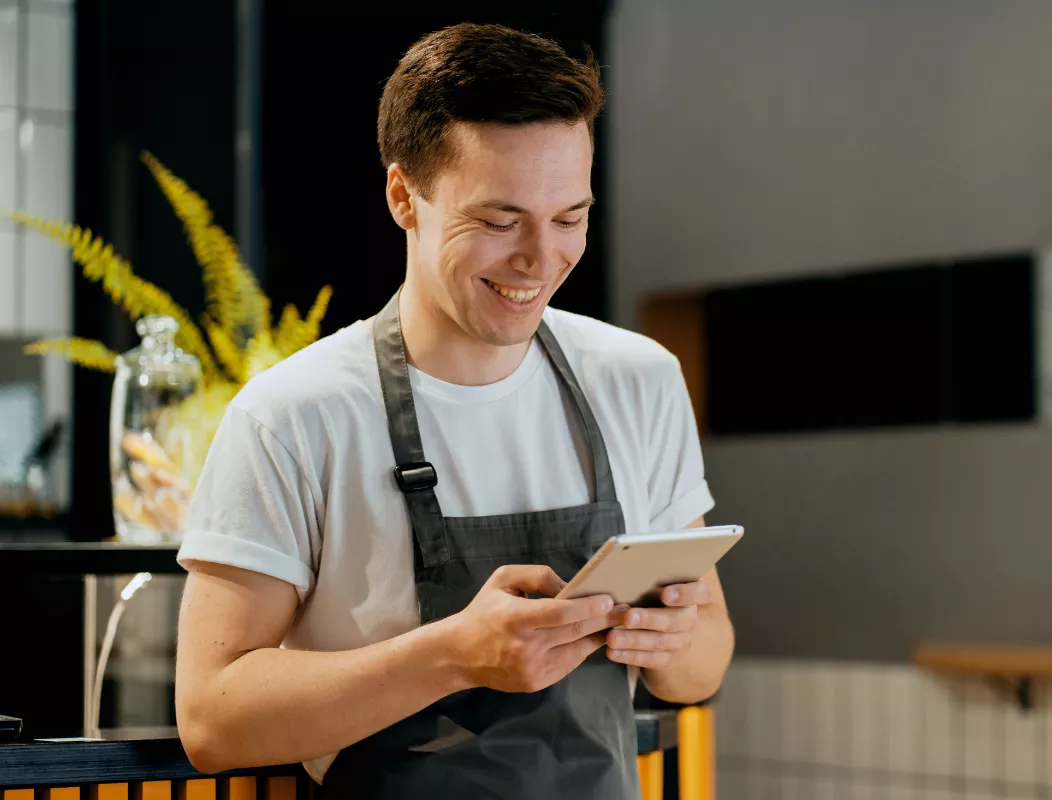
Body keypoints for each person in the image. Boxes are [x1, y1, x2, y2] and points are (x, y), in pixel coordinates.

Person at [173, 22, 734, 798]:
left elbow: (704, 658)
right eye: (500, 222)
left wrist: (667, 641)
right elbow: (212, 720)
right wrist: (453, 655)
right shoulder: (293, 416)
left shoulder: (640, 381)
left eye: (570, 218)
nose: (540, 262)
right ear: (405, 195)